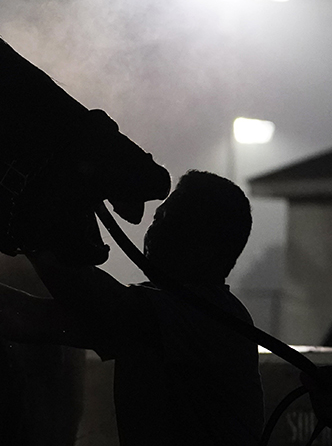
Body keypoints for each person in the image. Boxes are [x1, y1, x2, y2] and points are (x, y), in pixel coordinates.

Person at [27, 170, 265, 445]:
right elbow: (29, 317)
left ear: (206, 247)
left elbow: (92, 297)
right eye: (158, 218)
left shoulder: (208, 317)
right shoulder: (166, 310)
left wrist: (30, 219)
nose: (153, 231)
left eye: (170, 222)